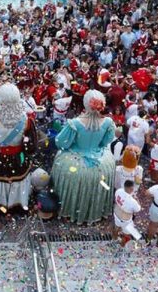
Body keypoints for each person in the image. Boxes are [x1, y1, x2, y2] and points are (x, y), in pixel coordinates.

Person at [50, 90, 117, 224]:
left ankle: (69, 210)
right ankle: (93, 212)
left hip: (75, 158)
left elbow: (61, 142)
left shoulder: (75, 123)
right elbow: (105, 142)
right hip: (101, 160)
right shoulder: (108, 122)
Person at [0, 83, 38, 213]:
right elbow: (32, 148)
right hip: (19, 160)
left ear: (0, 100)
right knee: (19, 177)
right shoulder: (27, 121)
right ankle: (18, 203)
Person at [113, 179, 142, 246]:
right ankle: (122, 245)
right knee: (126, 235)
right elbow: (138, 209)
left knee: (116, 227)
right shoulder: (132, 201)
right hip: (125, 220)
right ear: (131, 188)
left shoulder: (118, 190)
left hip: (116, 214)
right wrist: (137, 200)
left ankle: (114, 238)